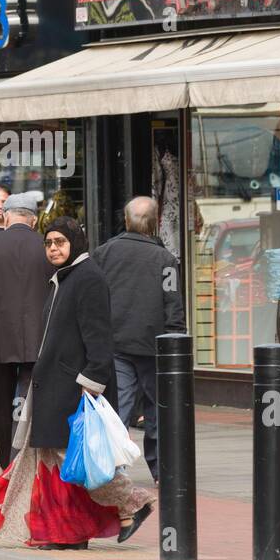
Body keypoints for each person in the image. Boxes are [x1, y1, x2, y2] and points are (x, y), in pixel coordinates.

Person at [0, 217, 154, 550]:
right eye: (49, 243)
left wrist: (91, 382)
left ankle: (132, 501)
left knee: (74, 460)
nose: (54, 248)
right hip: (54, 387)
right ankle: (68, 533)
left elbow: (99, 339)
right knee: (56, 466)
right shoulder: (66, 277)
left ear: (75, 242)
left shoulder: (88, 278)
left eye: (60, 242)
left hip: (72, 388)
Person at [91, 196, 186, 482]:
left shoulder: (103, 254)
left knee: (118, 408)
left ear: (126, 218)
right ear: (156, 222)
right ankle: (161, 469)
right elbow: (173, 302)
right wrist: (175, 339)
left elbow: (93, 298)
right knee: (159, 409)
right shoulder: (166, 260)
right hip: (154, 344)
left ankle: (112, 468)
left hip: (116, 343)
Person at [0, 192, 53, 469]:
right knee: (33, 401)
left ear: (5, 216)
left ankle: (7, 464)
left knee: (2, 404)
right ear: (35, 220)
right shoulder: (47, 245)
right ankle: (31, 463)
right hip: (39, 337)